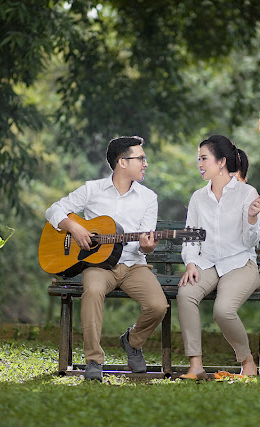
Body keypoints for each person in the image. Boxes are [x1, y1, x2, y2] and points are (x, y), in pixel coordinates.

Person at [45, 136, 168, 381]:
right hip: (99, 265)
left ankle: (132, 341)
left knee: (158, 306)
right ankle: (93, 360)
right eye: (141, 158)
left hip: (134, 265)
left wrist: (147, 247)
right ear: (122, 162)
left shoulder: (148, 198)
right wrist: (74, 228)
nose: (146, 163)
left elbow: (146, 245)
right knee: (92, 292)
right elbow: (53, 210)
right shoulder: (92, 190)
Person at [177, 134, 260, 379]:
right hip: (207, 264)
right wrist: (191, 263)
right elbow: (190, 238)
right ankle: (195, 365)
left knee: (223, 310)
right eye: (199, 159)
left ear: (221, 162)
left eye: (204, 158)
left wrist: (251, 217)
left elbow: (250, 241)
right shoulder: (198, 197)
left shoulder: (247, 193)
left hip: (240, 264)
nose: (200, 164)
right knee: (186, 294)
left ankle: (247, 361)